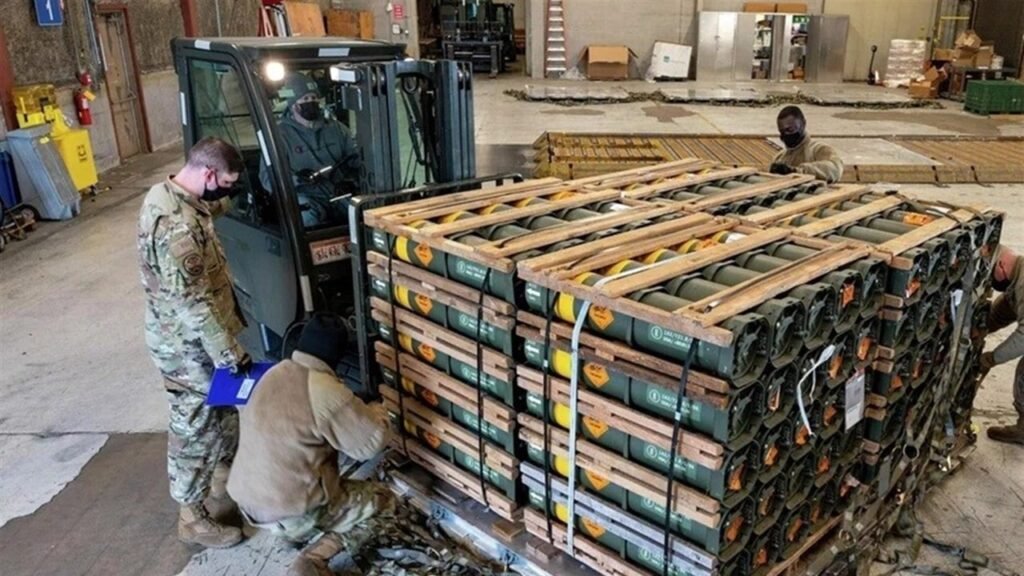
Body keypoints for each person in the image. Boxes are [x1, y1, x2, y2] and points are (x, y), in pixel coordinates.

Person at [137, 137, 251, 548]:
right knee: (194, 429)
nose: (225, 191)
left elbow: (209, 209)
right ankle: (192, 518)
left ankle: (222, 483)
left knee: (224, 415)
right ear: (208, 174)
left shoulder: (175, 195)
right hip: (187, 350)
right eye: (225, 183)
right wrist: (228, 353)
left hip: (201, 342)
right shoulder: (177, 228)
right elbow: (193, 303)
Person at [227, 314, 394, 576]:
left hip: (249, 501)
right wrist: (378, 410)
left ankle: (293, 532)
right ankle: (312, 560)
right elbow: (370, 445)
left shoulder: (271, 374)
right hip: (290, 510)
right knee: (384, 502)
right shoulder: (324, 389)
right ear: (336, 355)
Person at [261, 72, 361, 228]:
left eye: (314, 98)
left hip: (336, 191)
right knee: (308, 216)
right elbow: (267, 179)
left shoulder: (337, 129)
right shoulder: (278, 136)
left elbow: (356, 159)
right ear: (293, 104)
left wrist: (351, 181)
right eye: (305, 99)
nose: (311, 102)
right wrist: (296, 179)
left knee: (362, 211)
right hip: (305, 195)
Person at [979, 245, 1024, 445]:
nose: (992, 281)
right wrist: (981, 328)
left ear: (1001, 265)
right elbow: (1006, 308)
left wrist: (992, 358)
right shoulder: (1018, 276)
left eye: (992, 274)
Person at [769, 106, 844, 183]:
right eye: (782, 131)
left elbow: (835, 169)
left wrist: (798, 171)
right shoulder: (779, 158)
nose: (786, 134)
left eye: (790, 129)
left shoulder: (818, 150)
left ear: (803, 124)